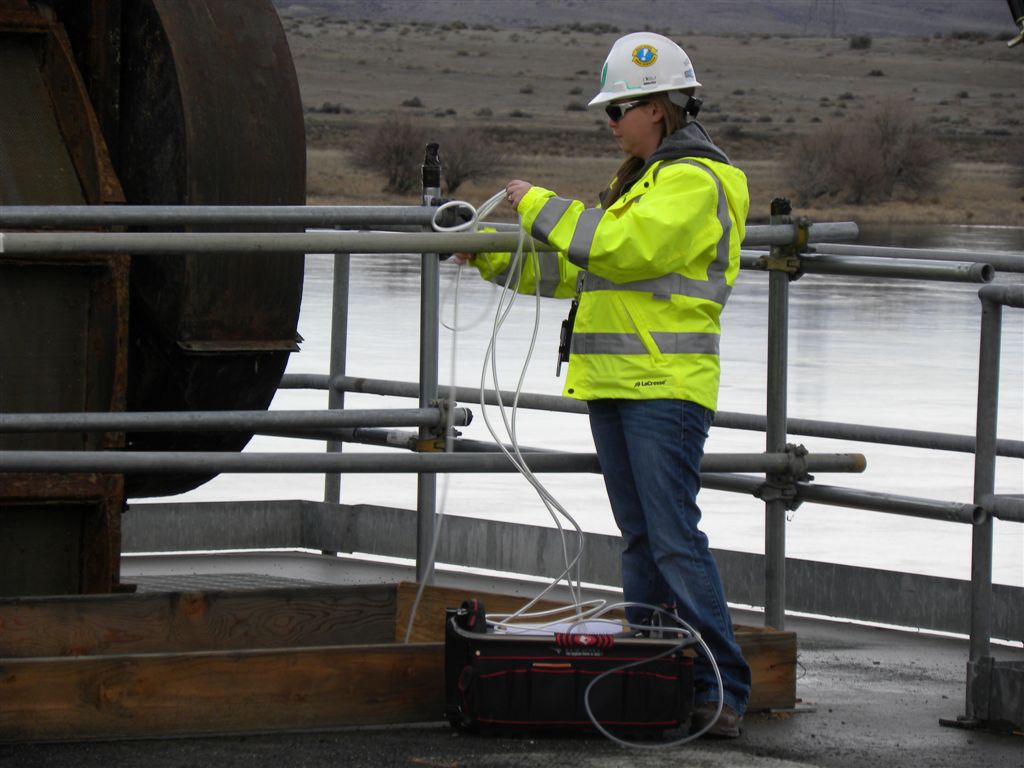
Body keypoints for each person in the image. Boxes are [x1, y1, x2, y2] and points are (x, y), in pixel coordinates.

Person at [456, 31, 751, 738]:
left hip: (664, 387)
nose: (610, 124)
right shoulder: (640, 183)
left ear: (659, 107)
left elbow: (616, 248)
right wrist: (489, 261)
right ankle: (650, 678)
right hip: (619, 384)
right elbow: (581, 273)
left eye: (618, 110)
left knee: (673, 538)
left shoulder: (699, 180)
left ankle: (722, 690)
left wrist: (533, 204)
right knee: (642, 541)